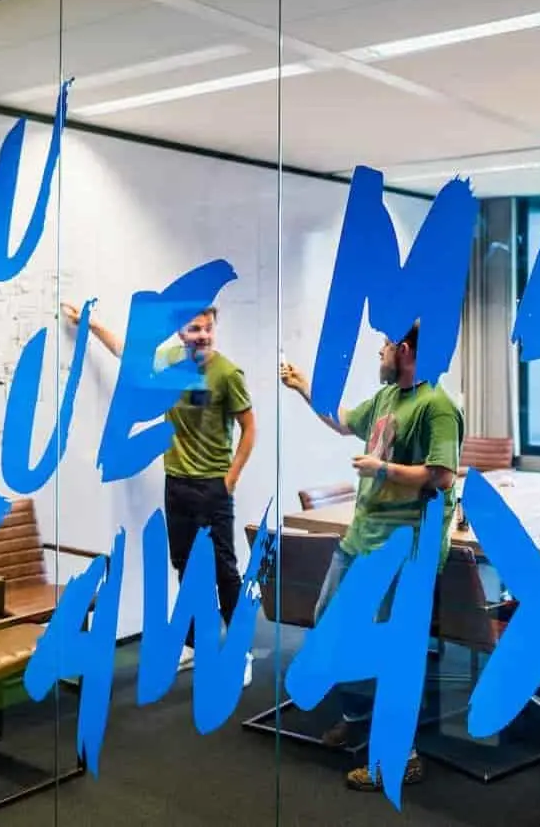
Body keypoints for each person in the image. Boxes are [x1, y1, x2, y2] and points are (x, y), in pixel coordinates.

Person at [279, 321, 464, 792]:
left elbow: (442, 475)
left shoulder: (437, 406)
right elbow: (344, 420)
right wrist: (304, 387)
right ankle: (359, 714)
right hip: (362, 538)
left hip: (403, 547)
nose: (378, 355)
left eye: (382, 347)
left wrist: (382, 469)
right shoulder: (386, 399)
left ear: (403, 350)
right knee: (330, 623)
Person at [62, 302, 257, 685]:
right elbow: (126, 353)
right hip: (177, 484)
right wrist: (91, 323)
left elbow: (249, 428)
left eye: (208, 328)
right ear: (181, 333)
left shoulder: (227, 373)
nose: (202, 335)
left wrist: (230, 479)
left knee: (224, 570)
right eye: (194, 329)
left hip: (212, 486)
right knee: (185, 566)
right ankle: (194, 644)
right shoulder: (169, 362)